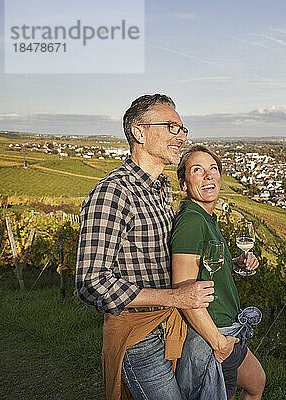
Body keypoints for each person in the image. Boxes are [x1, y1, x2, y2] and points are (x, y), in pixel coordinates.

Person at [76, 94, 216, 400]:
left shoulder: (159, 189)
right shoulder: (114, 192)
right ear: (139, 132)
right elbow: (91, 281)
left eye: (182, 128)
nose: (181, 135)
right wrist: (175, 296)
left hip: (168, 326)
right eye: (171, 127)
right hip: (138, 336)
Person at [171, 145, 266, 400]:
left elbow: (203, 268)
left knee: (254, 383)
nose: (208, 175)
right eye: (197, 170)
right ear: (183, 183)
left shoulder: (205, 218)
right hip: (213, 332)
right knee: (254, 384)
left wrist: (233, 264)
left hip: (225, 327)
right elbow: (184, 293)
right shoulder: (191, 221)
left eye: (213, 168)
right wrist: (218, 343)